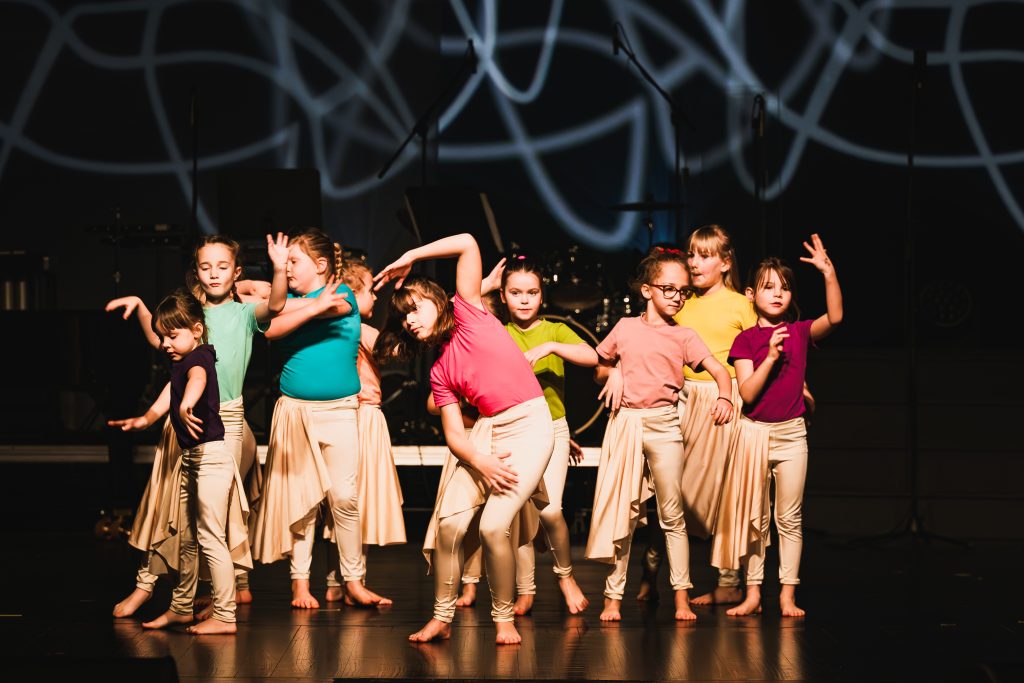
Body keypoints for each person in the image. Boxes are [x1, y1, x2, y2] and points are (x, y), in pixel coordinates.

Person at [373, 233, 554, 644]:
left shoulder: (468, 311)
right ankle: (441, 617)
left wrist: (411, 255)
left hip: (530, 425)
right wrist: (481, 461)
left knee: (493, 527)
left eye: (415, 308)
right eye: (404, 317)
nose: (411, 321)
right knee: (449, 526)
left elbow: (468, 243)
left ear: (438, 301)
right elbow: (456, 435)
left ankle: (503, 619)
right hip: (485, 435)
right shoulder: (439, 372)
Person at [107, 233, 288, 618]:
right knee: (171, 509)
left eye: (223, 267)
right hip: (185, 422)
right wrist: (139, 305)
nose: (214, 274)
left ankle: (227, 595)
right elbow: (161, 338)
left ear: (236, 272)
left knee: (216, 515)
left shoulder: (243, 314)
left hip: (226, 425)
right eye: (206, 267)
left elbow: (275, 304)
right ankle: (158, 590)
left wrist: (278, 268)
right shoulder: (191, 317)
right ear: (196, 272)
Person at [586, 247, 733, 622]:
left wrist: (725, 397)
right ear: (647, 290)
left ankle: (681, 597)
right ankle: (613, 598)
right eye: (669, 289)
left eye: (683, 291)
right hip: (627, 423)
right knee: (623, 513)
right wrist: (612, 371)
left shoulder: (684, 335)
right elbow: (599, 369)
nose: (677, 297)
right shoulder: (625, 327)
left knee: (672, 515)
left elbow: (719, 370)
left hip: (665, 424)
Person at [250, 228, 390, 609]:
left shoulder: (343, 293)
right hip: (296, 413)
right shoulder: (293, 301)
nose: (289, 269)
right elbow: (271, 328)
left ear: (321, 265)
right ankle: (300, 584)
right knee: (304, 502)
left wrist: (277, 302)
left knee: (345, 497)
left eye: (294, 262)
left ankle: (353, 581)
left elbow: (313, 308)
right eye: (287, 263)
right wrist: (287, 296)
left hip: (340, 412)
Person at [457, 256, 594, 615]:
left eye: (532, 292)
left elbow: (591, 356)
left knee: (550, 511)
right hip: (511, 431)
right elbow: (457, 315)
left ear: (542, 295)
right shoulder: (496, 331)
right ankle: (526, 590)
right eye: (515, 292)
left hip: (553, 430)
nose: (524, 299)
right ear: (503, 296)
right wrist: (483, 287)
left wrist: (550, 347)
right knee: (518, 516)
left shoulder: (554, 330)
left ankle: (565, 576)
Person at [715, 234, 842, 617]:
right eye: (768, 287)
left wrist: (828, 273)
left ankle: (787, 594)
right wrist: (770, 357)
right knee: (755, 518)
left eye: (784, 288)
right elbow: (748, 393)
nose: (777, 294)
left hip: (791, 435)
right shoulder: (745, 341)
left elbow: (835, 318)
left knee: (789, 518)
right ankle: (753, 593)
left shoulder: (800, 332)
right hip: (753, 434)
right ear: (751, 294)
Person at [637, 226, 757, 606]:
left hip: (725, 400)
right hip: (682, 399)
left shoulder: (740, 304)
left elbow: (759, 351)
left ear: (725, 262)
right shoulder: (681, 302)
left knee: (725, 491)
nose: (695, 262)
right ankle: (651, 571)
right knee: (670, 491)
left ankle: (728, 580)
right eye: (692, 254)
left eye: (705, 255)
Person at [138, 289, 249, 635]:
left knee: (211, 536)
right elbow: (167, 396)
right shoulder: (180, 362)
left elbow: (197, 381)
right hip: (191, 459)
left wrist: (187, 404)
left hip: (212, 458)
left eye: (172, 335)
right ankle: (181, 608)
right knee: (187, 538)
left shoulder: (200, 357)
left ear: (197, 330)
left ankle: (225, 615)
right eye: (162, 337)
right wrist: (145, 419)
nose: (165, 343)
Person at [322, 258, 407, 603]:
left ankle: (337, 580)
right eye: (370, 291)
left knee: (345, 502)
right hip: (360, 417)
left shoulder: (344, 328)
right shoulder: (356, 328)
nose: (374, 297)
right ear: (351, 294)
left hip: (353, 416)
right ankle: (350, 580)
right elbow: (394, 351)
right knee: (357, 501)